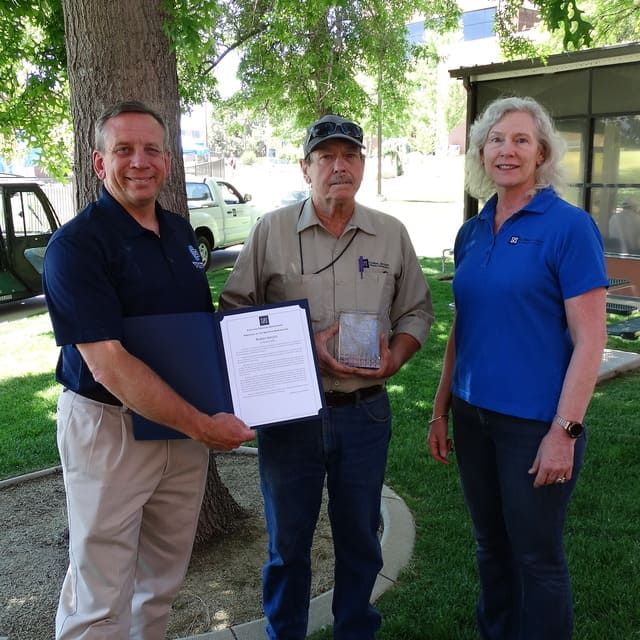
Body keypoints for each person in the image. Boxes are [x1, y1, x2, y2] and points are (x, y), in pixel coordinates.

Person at [42, 101, 253, 640]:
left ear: (167, 160)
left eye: (152, 150)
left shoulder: (181, 233)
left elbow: (197, 330)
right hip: (108, 428)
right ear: (98, 163)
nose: (140, 161)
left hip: (179, 431)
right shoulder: (77, 246)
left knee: (160, 581)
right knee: (100, 589)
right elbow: (108, 363)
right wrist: (203, 427)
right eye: (124, 150)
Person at [219, 114, 433, 639]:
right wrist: (302, 348)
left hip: (364, 413)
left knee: (361, 538)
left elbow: (417, 312)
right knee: (287, 544)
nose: (340, 166)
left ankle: (355, 630)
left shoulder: (391, 234)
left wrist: (396, 358)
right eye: (326, 157)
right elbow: (235, 312)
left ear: (362, 164)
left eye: (351, 156)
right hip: (291, 418)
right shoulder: (271, 230)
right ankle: (284, 633)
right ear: (305, 167)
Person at [428, 96, 608, 640]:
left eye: (521, 139)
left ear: (542, 152)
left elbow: (591, 338)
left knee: (536, 557)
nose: (507, 150)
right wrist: (440, 409)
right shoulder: (472, 231)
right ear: (482, 152)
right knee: (490, 547)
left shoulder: (569, 227)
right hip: (473, 417)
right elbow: (464, 326)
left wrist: (565, 431)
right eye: (496, 140)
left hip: (534, 424)